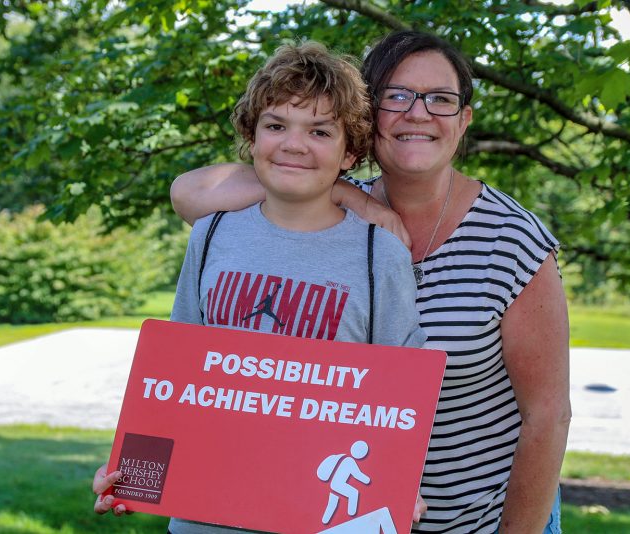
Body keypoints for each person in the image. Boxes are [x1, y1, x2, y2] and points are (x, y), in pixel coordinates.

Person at [168, 31, 571, 534]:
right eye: (397, 96)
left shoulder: (513, 239)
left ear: (463, 120)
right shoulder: (331, 206)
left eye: (440, 100)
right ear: (366, 116)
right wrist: (357, 199)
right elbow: (192, 191)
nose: (418, 113)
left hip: (479, 521)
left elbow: (548, 416)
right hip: (341, 520)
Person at [94, 41, 427, 532]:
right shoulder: (212, 234)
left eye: (320, 131)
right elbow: (173, 379)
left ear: (350, 151)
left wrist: (399, 486)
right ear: (252, 138)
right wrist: (132, 475)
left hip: (322, 519)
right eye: (276, 126)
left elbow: (403, 399)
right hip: (205, 513)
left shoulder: (381, 255)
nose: (294, 145)